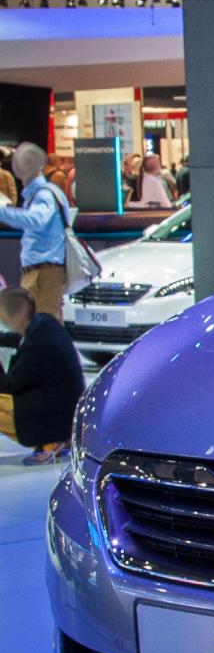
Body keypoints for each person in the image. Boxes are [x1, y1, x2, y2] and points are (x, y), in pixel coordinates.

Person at [0, 285, 84, 465]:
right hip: (66, 409)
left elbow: (9, 385)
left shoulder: (37, 346)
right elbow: (20, 339)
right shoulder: (45, 323)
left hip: (53, 416)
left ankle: (50, 443)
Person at [0, 143, 69, 322]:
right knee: (45, 325)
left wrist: (2, 211)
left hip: (44, 272)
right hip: (40, 270)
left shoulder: (44, 194)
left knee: (44, 325)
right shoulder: (39, 194)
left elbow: (36, 220)